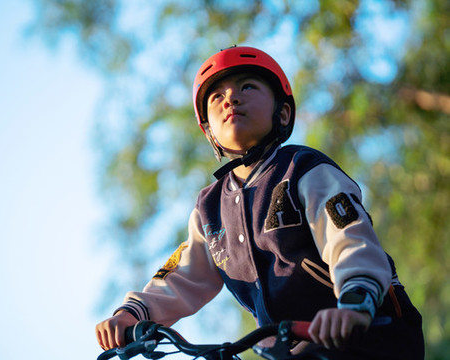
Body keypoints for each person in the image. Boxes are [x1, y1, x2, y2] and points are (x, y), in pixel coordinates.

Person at [95, 46, 424, 359]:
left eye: (247, 87)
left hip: (372, 334)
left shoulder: (304, 170)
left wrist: (356, 300)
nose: (231, 99)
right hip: (290, 350)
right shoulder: (209, 210)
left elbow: (347, 236)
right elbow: (182, 274)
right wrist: (132, 313)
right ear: (209, 133)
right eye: (217, 97)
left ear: (282, 113)